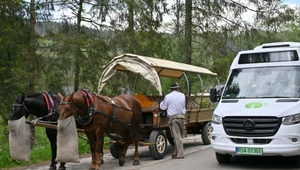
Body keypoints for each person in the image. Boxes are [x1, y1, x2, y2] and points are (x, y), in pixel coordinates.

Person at [160, 82, 186, 159]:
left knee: (176, 136)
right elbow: (184, 106)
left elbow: (163, 107)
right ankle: (176, 152)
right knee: (180, 136)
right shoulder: (182, 95)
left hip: (173, 118)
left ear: (171, 89)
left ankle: (180, 154)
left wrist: (161, 102)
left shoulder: (168, 97)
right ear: (178, 88)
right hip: (182, 117)